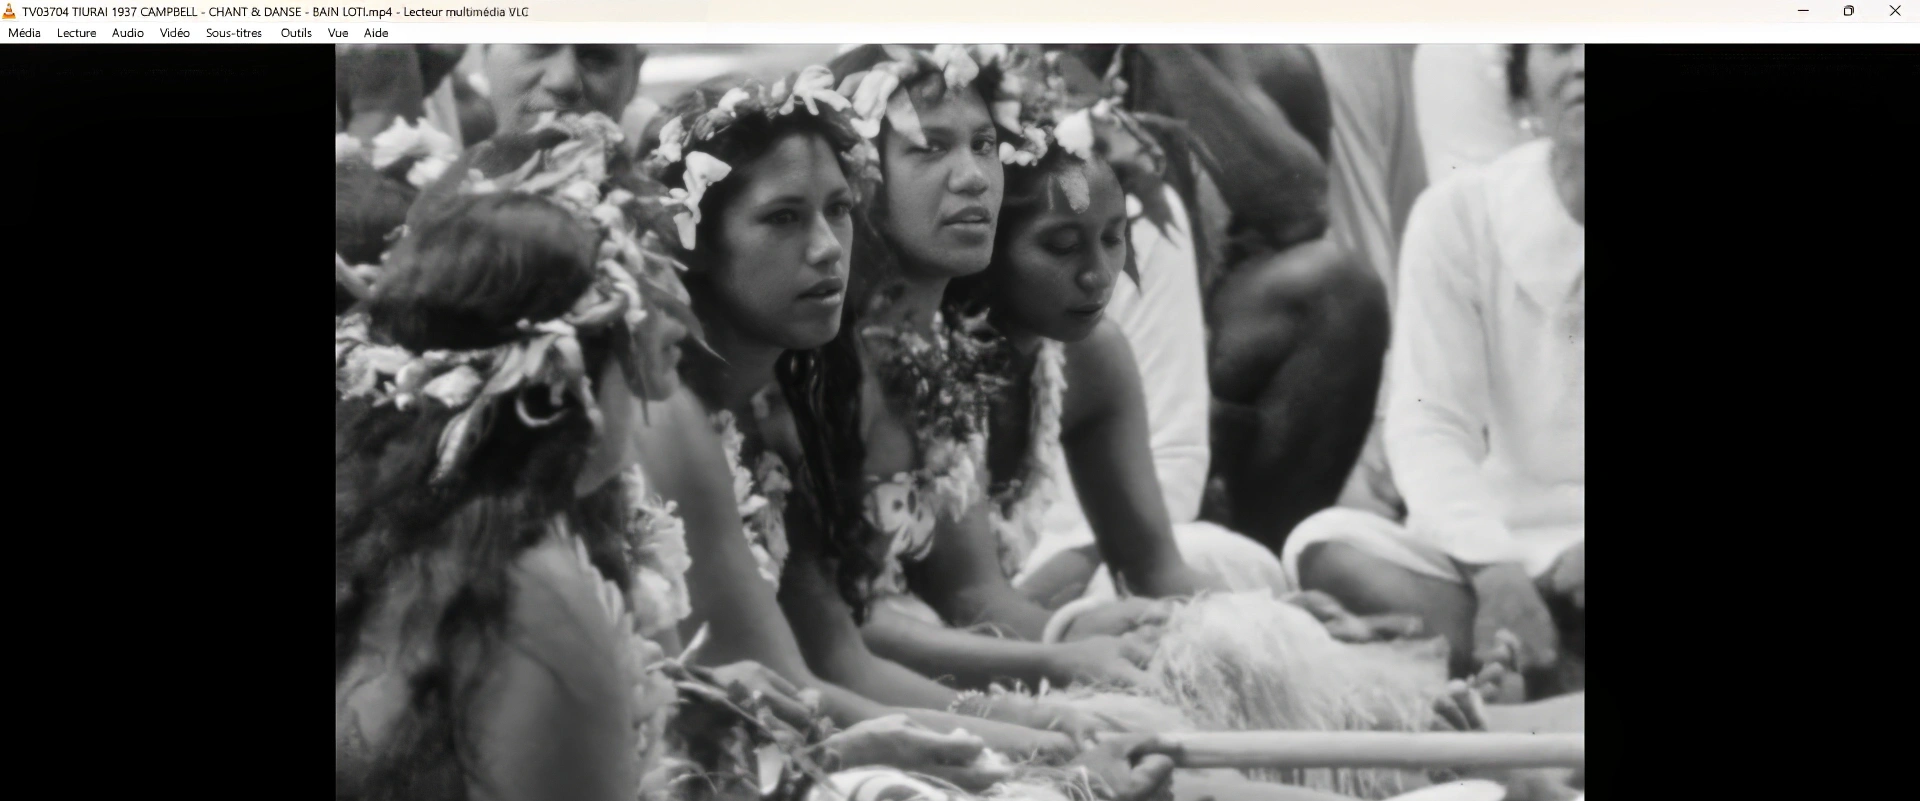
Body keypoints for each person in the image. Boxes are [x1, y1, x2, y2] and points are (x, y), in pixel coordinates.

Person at [635, 68, 1190, 799]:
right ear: (696, 239)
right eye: (782, 218)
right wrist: (1047, 746)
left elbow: (841, 657)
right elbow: (795, 689)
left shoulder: (783, 401)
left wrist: (1050, 730)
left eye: (837, 210)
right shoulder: (679, 411)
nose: (828, 247)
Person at [1284, 44, 1586, 695]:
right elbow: (1432, 427)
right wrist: (1496, 573)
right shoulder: (1461, 214)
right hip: (1500, 552)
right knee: (1328, 547)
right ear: (1523, 87)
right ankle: (1547, 663)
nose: (1585, 62)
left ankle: (1539, 677)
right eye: (1563, 45)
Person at [1068, 45, 1391, 554]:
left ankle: (1260, 565)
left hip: (1177, 347)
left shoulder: (1252, 59)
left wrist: (1166, 46)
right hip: (1039, 341)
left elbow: (1300, 211)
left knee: (1336, 293)